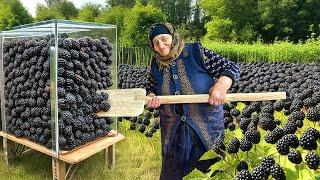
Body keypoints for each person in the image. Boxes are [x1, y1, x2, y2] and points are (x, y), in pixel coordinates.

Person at [146, 22, 240, 179]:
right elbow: (151, 87)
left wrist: (221, 85)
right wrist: (150, 97)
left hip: (206, 131)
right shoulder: (156, 65)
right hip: (174, 133)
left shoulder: (196, 52)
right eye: (156, 43)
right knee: (171, 175)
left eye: (164, 39)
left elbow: (231, 67)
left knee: (213, 173)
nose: (161, 46)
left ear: (172, 36)